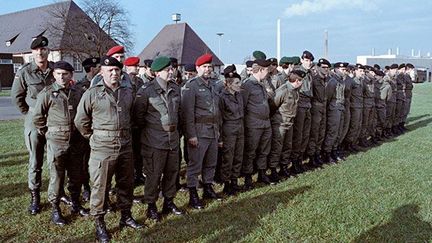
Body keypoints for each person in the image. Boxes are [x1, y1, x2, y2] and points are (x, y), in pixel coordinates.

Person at [75, 56, 143, 243]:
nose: (114, 73)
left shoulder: (127, 92)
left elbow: (134, 116)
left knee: (126, 183)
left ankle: (126, 216)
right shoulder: (92, 93)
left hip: (125, 146)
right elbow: (81, 121)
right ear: (102, 72)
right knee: (100, 186)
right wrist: (94, 137)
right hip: (102, 148)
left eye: (117, 70)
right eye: (110, 70)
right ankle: (99, 222)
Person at [33, 61, 89, 226]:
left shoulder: (78, 92)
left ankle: (76, 204)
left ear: (71, 75)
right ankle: (55, 208)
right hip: (57, 142)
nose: (61, 77)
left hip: (76, 141)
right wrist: (48, 132)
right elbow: (38, 117)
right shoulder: (47, 93)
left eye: (65, 73)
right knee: (57, 176)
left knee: (76, 174)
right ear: (54, 75)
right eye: (58, 74)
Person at [134, 56, 184, 221]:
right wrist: (150, 134)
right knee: (154, 175)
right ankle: (151, 205)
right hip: (154, 141)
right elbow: (139, 118)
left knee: (172, 172)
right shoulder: (146, 91)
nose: (171, 72)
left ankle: (169, 202)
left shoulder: (176, 89)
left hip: (173, 140)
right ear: (156, 72)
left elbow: (180, 114)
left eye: (171, 69)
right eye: (167, 70)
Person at [11, 36, 54, 215]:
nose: (40, 52)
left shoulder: (55, 70)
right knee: (35, 161)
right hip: (34, 121)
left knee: (56, 160)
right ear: (32, 53)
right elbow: (17, 97)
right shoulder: (25, 72)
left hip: (54, 121)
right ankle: (35, 196)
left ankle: (57, 193)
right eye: (36, 50)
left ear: (48, 51)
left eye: (43, 49)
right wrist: (30, 114)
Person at [181, 53, 221, 209]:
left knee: (211, 163)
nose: (207, 69)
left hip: (212, 131)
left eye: (209, 66)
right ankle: (193, 193)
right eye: (204, 66)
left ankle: (208, 187)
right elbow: (187, 113)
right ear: (197, 68)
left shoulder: (211, 85)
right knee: (195, 165)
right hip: (199, 132)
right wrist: (191, 135)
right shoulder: (192, 86)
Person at [241, 58, 272, 189]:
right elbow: (243, 105)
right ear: (260, 70)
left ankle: (261, 172)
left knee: (264, 150)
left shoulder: (262, 83)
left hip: (265, 123)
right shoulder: (248, 84)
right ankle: (248, 177)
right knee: (251, 151)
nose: (268, 73)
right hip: (253, 124)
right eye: (267, 70)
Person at [271, 69, 305, 178]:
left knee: (287, 146)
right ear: (297, 81)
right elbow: (273, 106)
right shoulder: (283, 90)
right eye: (301, 81)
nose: (302, 83)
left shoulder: (295, 90)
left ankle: (284, 167)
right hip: (280, 123)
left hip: (289, 122)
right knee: (277, 147)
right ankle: (273, 170)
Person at [218, 67, 244, 195]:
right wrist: (221, 138)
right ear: (228, 84)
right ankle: (226, 183)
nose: (239, 85)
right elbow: (220, 118)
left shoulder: (239, 95)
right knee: (228, 157)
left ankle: (234, 181)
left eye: (240, 83)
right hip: (228, 128)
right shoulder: (222, 97)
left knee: (238, 156)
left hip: (240, 127)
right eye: (237, 83)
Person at [124, 56, 146, 188]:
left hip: (138, 123)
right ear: (127, 67)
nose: (137, 68)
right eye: (134, 66)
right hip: (127, 122)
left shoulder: (139, 82)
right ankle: (129, 177)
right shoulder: (123, 81)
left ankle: (138, 174)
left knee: (139, 151)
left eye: (138, 66)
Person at [291, 51, 314, 173]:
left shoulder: (309, 73)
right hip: (300, 104)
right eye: (306, 60)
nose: (308, 63)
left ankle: (299, 159)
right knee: (298, 135)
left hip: (308, 104)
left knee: (305, 135)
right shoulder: (297, 72)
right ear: (302, 60)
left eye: (310, 61)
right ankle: (295, 161)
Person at [322, 62, 348, 163]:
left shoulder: (342, 81)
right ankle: (327, 153)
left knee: (339, 131)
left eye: (345, 70)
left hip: (341, 107)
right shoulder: (332, 81)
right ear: (336, 69)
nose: (345, 72)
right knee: (332, 131)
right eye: (343, 70)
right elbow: (327, 97)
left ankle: (334, 150)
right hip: (334, 108)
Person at [307, 58, 330, 166]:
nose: (325, 69)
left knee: (321, 133)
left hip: (324, 107)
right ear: (319, 67)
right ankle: (311, 156)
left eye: (327, 67)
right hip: (316, 108)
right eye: (323, 67)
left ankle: (317, 153)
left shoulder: (327, 80)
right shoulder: (314, 80)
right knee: (314, 133)